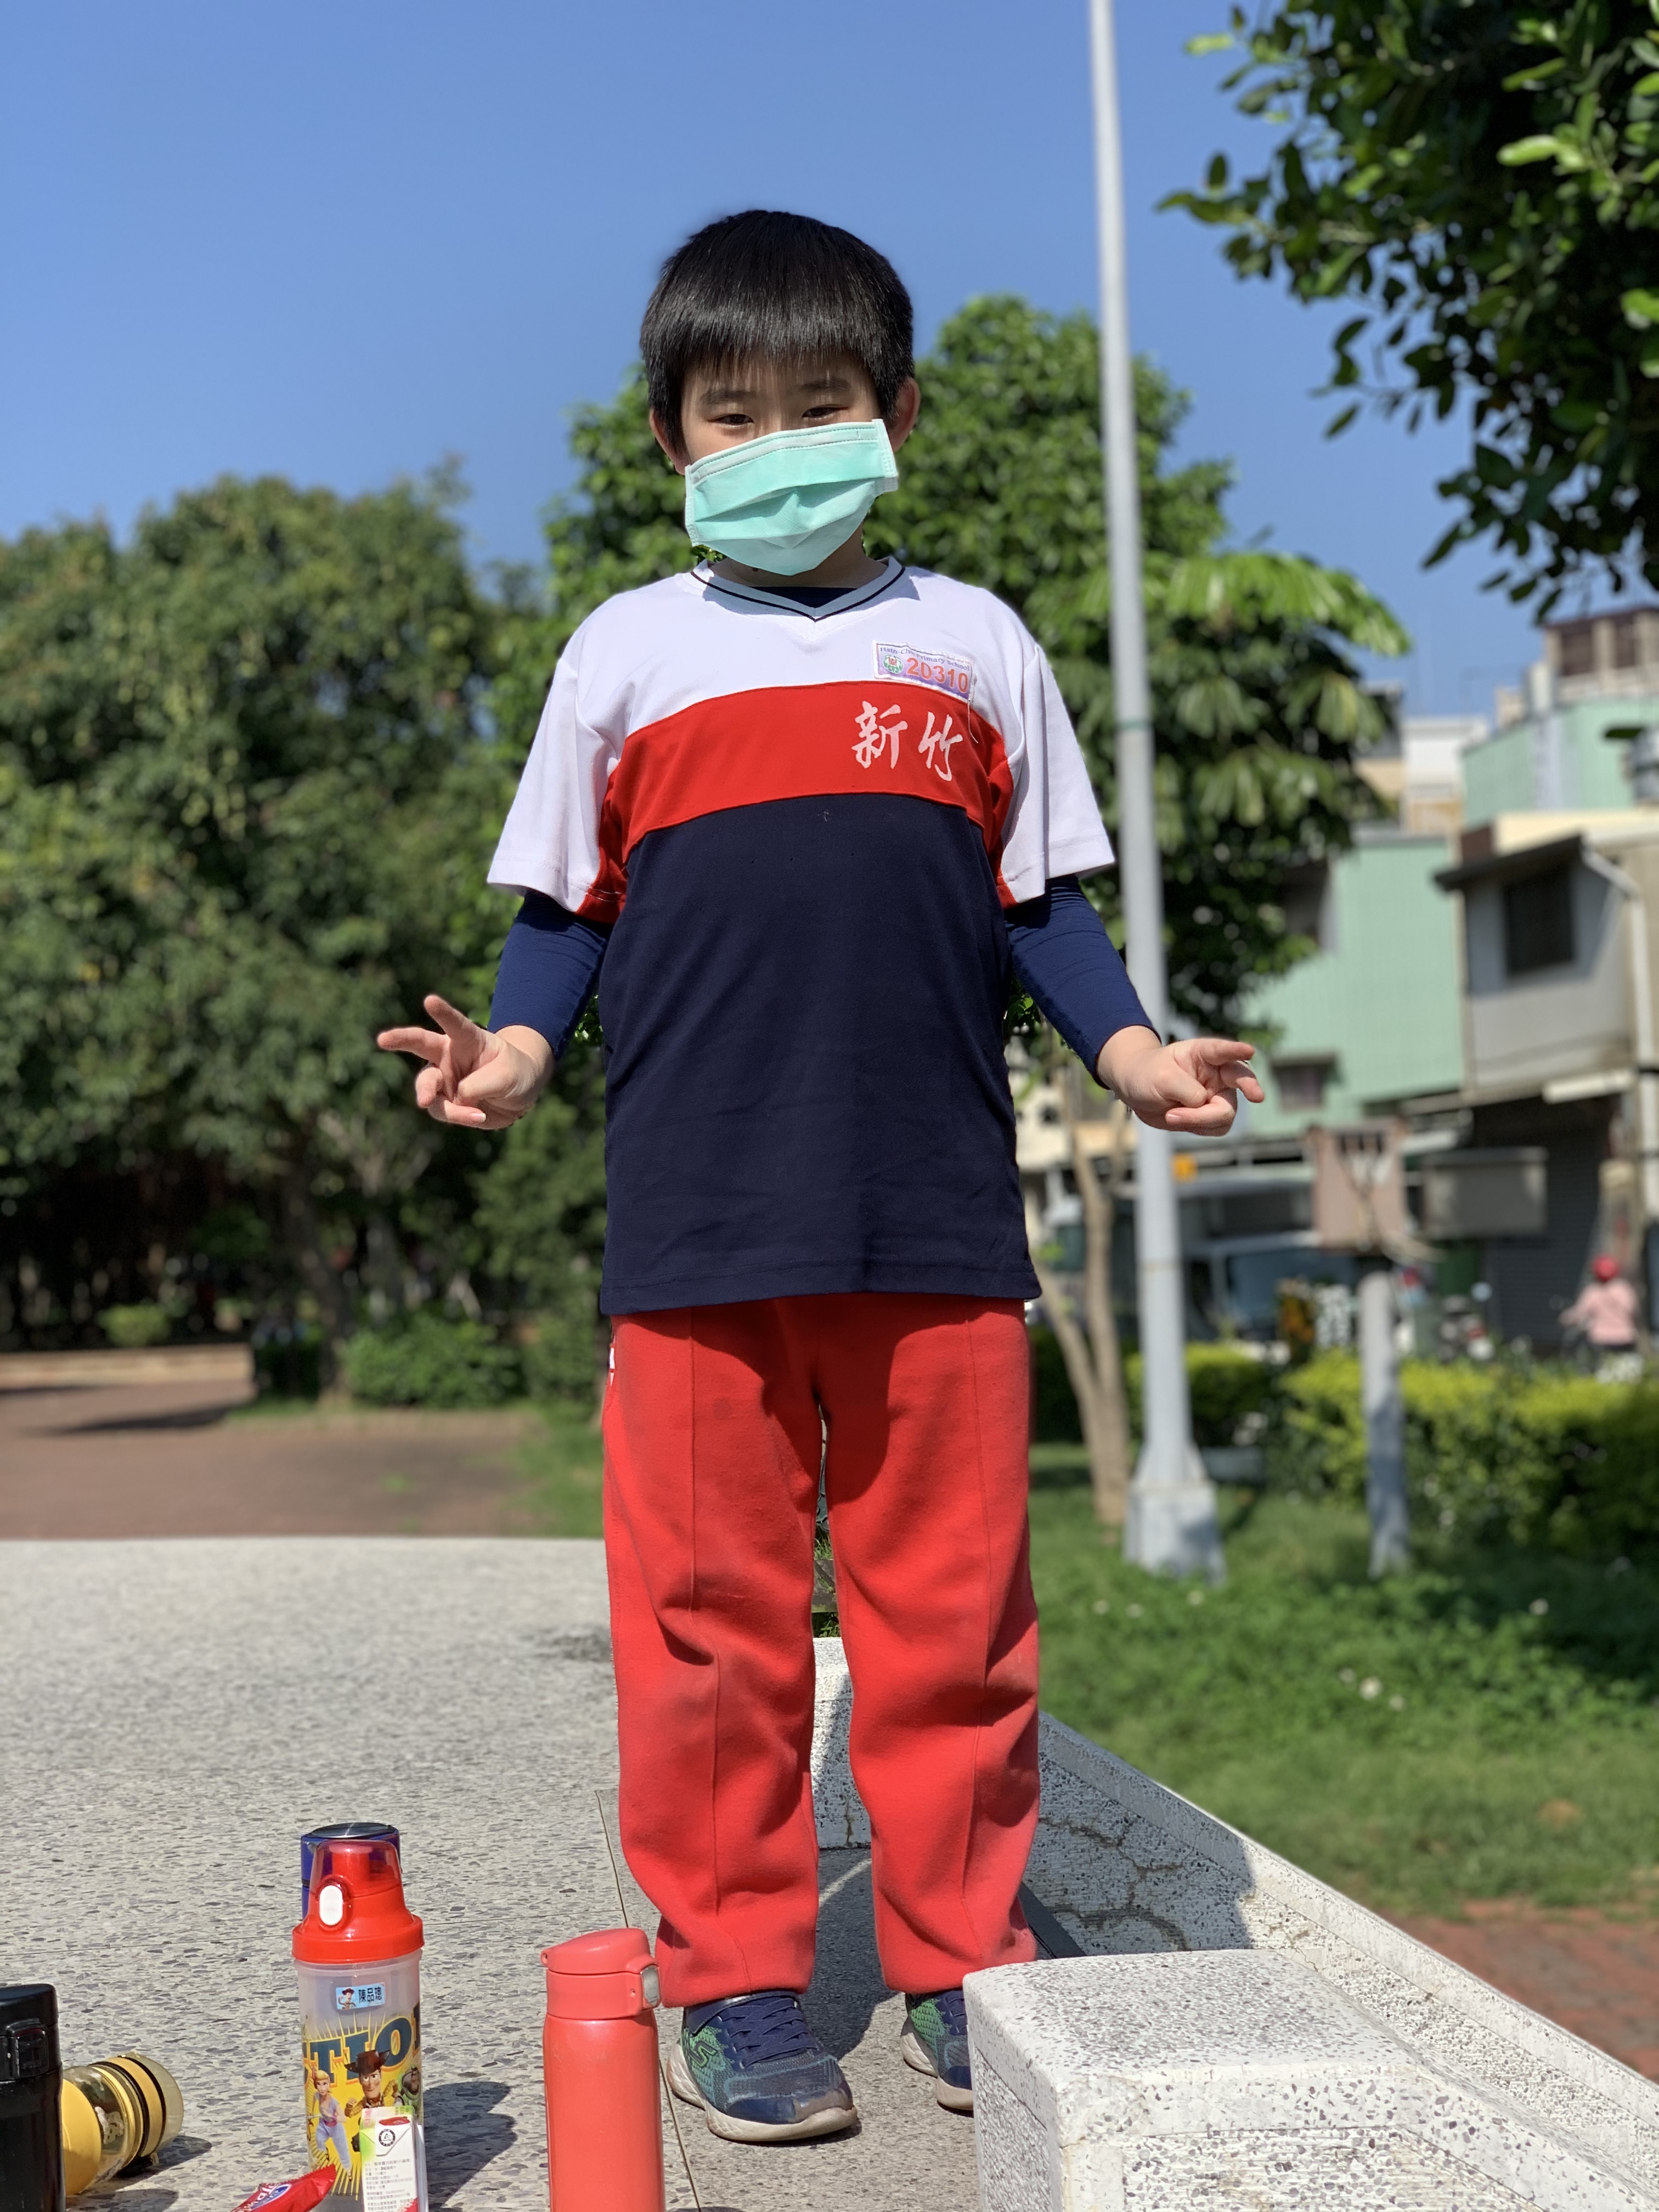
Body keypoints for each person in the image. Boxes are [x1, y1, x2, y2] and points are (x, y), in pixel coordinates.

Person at [380, 209, 1263, 2145]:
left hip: (932, 1218)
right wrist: (512, 1056)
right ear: (668, 439)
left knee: (952, 1618)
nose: (775, 441)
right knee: (708, 1632)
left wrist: (1134, 1056)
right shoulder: (624, 653)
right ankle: (734, 1983)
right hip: (695, 1227)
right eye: (732, 412)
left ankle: (963, 1960)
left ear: (897, 415)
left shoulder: (976, 645)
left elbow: (1042, 909)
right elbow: (566, 917)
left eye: (818, 402)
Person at [1561, 1255, 1640, 1356]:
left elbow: (1579, 1313)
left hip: (1601, 1340)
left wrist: (1566, 1318)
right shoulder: (1624, 1289)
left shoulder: (1593, 1291)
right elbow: (1634, 1310)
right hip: (1625, 1338)